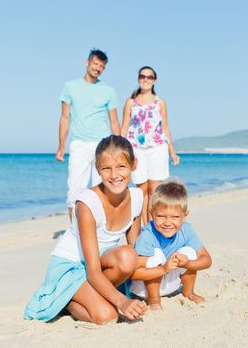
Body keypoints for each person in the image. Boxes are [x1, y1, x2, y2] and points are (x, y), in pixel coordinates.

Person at [25, 135, 147, 324]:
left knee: (129, 256)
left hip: (101, 265)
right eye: (106, 168)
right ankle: (66, 299)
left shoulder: (137, 198)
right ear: (97, 170)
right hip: (72, 266)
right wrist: (122, 301)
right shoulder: (87, 204)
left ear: (134, 164)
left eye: (121, 166)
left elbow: (138, 252)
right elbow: (92, 270)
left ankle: (91, 296)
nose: (114, 175)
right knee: (109, 316)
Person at [56, 49, 120, 222]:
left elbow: (114, 121)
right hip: (79, 144)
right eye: (95, 64)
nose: (98, 68)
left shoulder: (108, 91)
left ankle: (99, 232)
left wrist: (119, 147)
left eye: (102, 66)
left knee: (102, 190)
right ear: (87, 63)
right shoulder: (70, 87)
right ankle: (74, 231)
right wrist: (61, 145)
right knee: (75, 191)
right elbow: (64, 118)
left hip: (103, 145)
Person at [130, 180, 212, 310]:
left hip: (170, 284)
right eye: (161, 216)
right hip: (143, 289)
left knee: (189, 252)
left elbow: (207, 260)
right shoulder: (147, 235)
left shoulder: (186, 230)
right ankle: (154, 300)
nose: (168, 223)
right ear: (152, 213)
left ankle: (188, 292)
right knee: (156, 255)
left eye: (175, 217)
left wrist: (187, 264)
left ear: (184, 216)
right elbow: (134, 273)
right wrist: (163, 269)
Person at [121, 66, 179, 225]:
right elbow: (124, 127)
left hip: (157, 149)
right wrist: (119, 149)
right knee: (141, 191)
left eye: (149, 77)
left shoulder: (160, 102)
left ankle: (152, 228)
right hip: (136, 150)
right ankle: (143, 229)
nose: (146, 79)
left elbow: (165, 127)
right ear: (138, 78)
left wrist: (172, 152)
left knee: (154, 190)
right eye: (143, 76)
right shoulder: (130, 103)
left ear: (154, 80)